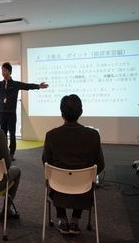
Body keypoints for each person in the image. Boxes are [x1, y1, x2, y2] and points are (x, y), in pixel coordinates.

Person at [42, 94, 105, 235]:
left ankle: (62, 218)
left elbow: (46, 163)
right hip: (84, 189)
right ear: (81, 112)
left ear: (61, 113)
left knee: (53, 176)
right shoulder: (93, 135)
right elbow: (100, 165)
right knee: (86, 178)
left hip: (57, 187)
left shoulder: (51, 135)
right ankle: (75, 220)